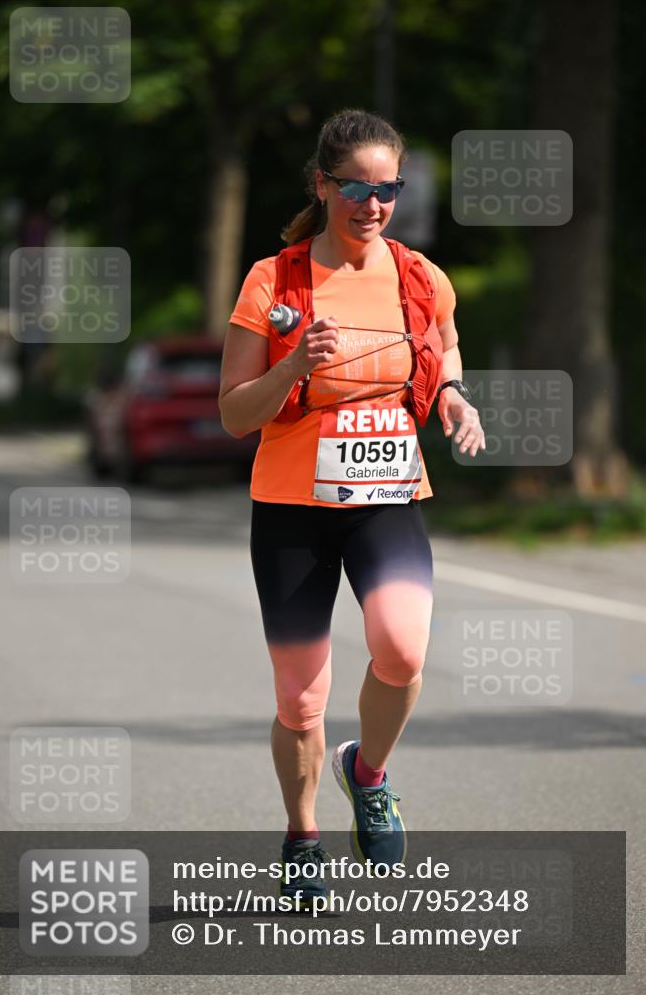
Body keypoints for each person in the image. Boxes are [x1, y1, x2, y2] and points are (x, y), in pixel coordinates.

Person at [219, 108, 484, 905]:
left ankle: (365, 774)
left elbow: (443, 345)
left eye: (387, 189)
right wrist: (294, 360)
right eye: (355, 188)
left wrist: (453, 397)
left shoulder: (417, 273)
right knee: (300, 695)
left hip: (386, 496)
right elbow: (235, 413)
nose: (371, 204)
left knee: (402, 651)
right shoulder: (275, 280)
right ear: (322, 184)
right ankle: (302, 837)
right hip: (292, 506)